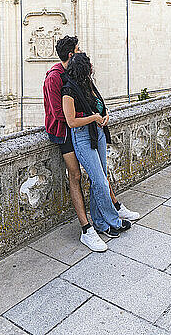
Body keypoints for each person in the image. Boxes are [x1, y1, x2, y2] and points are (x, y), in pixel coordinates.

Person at [43, 36, 139, 252]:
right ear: (71, 54)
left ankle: (108, 214)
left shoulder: (78, 77)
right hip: (65, 133)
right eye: (78, 49)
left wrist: (100, 114)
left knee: (99, 175)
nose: (81, 51)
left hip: (87, 130)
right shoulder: (55, 78)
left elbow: (94, 100)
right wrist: (91, 116)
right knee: (78, 177)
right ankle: (87, 229)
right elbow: (60, 115)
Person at [62, 52, 132, 249]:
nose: (92, 68)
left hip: (98, 132)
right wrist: (93, 118)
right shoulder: (69, 91)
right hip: (83, 136)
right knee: (100, 181)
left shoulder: (88, 85)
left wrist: (105, 114)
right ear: (83, 69)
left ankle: (101, 224)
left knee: (99, 179)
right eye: (89, 65)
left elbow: (100, 106)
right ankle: (113, 220)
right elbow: (71, 121)